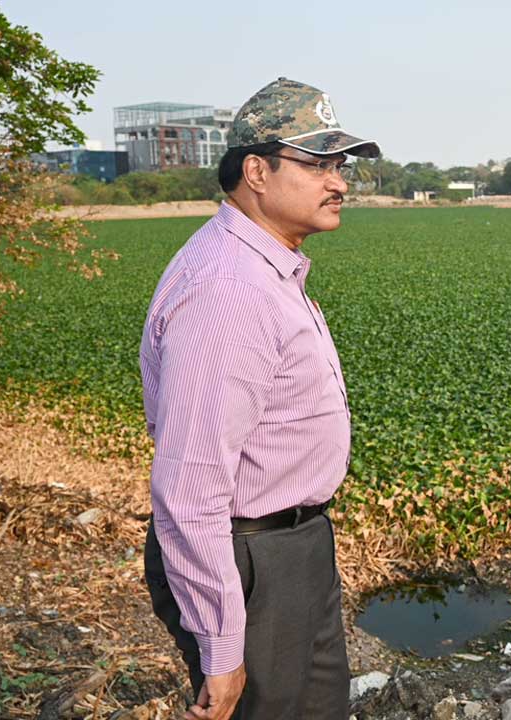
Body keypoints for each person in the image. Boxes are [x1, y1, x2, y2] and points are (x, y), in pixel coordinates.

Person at [139, 78, 379, 720]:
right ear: (256, 171)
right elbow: (191, 483)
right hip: (250, 559)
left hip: (293, 547)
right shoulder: (229, 289)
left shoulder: (267, 268)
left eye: (342, 166)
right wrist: (221, 645)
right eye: (319, 164)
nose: (339, 182)